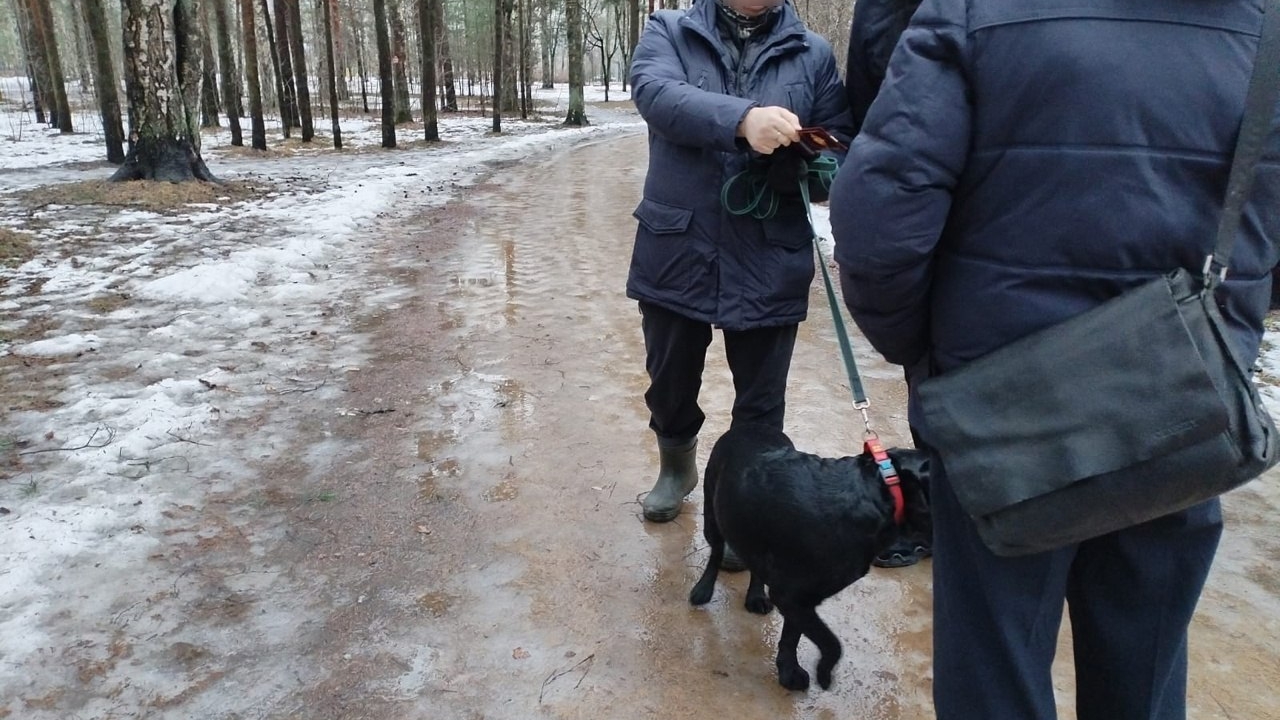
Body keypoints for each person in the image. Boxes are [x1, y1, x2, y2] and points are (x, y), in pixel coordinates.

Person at [828, 1, 1278, 718]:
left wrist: (930, 357)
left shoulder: (975, 9)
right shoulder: (1265, 26)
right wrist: (1225, 335)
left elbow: (880, 220)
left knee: (994, 680)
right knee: (1147, 678)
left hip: (1002, 417)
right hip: (1182, 404)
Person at [627, 0, 854, 542]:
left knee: (761, 399)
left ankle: (744, 510)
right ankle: (676, 462)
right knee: (671, 381)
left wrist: (812, 165)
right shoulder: (670, 31)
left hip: (770, 251)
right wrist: (743, 121)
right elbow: (657, 96)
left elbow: (841, 144)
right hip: (679, 245)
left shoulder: (813, 53)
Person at [843, 0, 930, 570]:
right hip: (931, 227)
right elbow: (864, 121)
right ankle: (937, 514)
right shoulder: (878, 8)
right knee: (940, 383)